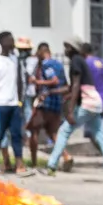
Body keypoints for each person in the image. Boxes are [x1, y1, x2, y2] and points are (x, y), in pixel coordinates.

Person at [44, 37, 103, 182]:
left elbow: (76, 86)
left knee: (64, 131)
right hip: (95, 102)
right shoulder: (81, 61)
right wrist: (53, 92)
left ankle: (51, 165)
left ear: (72, 48)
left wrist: (71, 110)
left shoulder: (76, 61)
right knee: (100, 135)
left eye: (66, 47)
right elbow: (72, 88)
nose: (64, 50)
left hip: (87, 103)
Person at [0, 31, 30, 176]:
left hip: (14, 104)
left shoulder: (15, 59)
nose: (12, 43)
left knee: (17, 134)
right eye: (10, 40)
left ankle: (19, 164)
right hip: (0, 103)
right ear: (2, 42)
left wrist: (20, 101)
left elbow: (19, 81)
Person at [26, 42, 71, 170]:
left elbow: (54, 80)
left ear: (42, 52)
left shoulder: (46, 64)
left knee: (33, 129)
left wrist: (36, 81)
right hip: (57, 103)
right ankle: (66, 156)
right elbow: (65, 84)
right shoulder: (59, 64)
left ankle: (34, 163)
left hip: (46, 102)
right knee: (53, 133)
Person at [17, 37, 38, 139]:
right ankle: (23, 133)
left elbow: (28, 74)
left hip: (29, 91)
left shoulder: (32, 60)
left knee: (28, 111)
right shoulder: (18, 60)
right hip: (20, 91)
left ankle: (30, 135)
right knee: (20, 114)